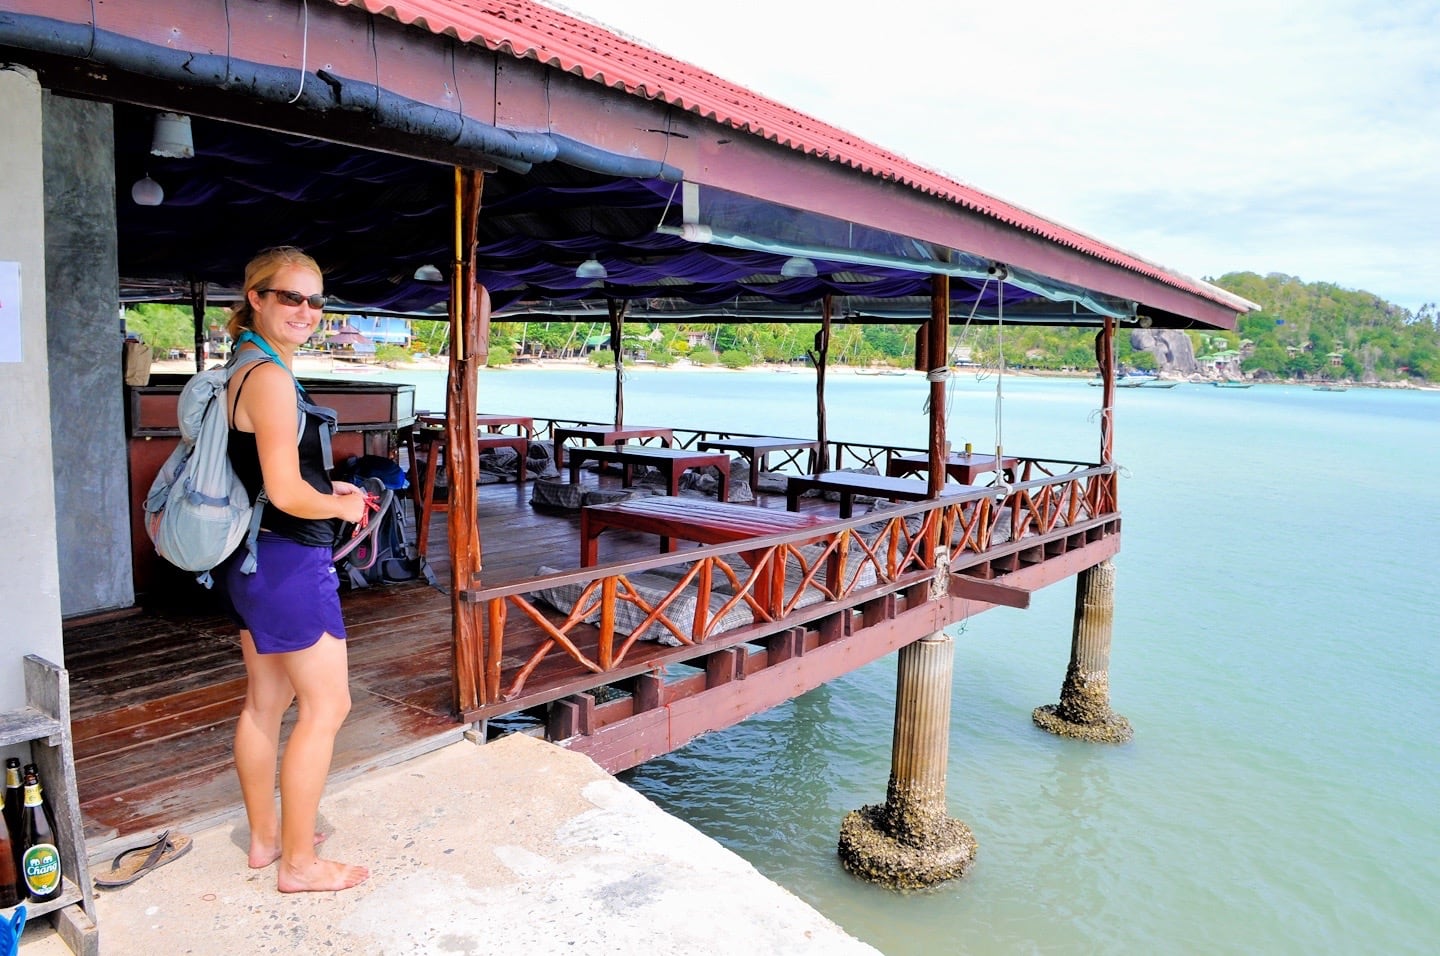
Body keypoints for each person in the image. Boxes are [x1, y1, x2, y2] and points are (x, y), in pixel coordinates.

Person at [217, 246, 370, 892]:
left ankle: (264, 840)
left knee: (266, 702)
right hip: (286, 560)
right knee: (328, 705)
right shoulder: (273, 379)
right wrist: (342, 504)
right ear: (256, 297)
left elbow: (268, 470)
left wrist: (323, 482)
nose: (305, 310)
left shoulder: (246, 366)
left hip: (250, 559)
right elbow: (283, 491)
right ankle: (299, 864)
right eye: (289, 297)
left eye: (314, 300)